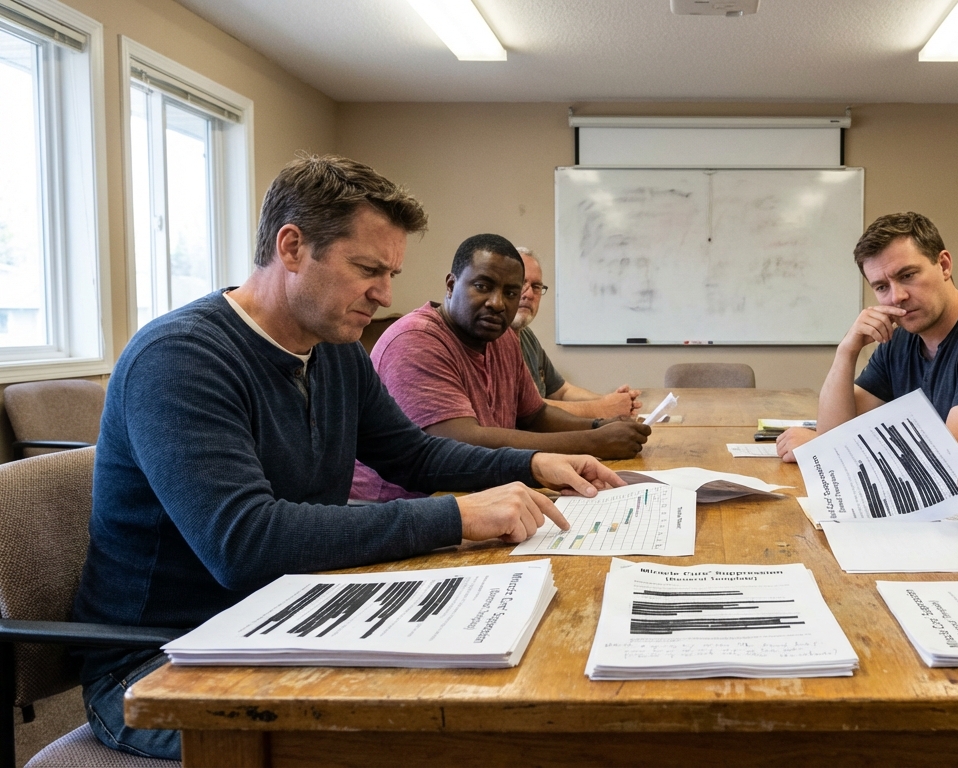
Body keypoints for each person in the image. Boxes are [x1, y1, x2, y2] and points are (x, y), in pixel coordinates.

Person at [71, 155, 621, 761]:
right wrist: (458, 518)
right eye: (367, 269)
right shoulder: (179, 359)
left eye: (391, 272)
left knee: (489, 694)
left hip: (283, 619)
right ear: (291, 247)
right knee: (431, 742)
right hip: (161, 662)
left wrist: (530, 466)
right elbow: (245, 543)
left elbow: (411, 455)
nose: (385, 293)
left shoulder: (334, 350)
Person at [351, 235, 651, 502]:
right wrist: (592, 442)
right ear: (451, 285)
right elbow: (457, 439)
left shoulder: (503, 336)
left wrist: (599, 426)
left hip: (478, 492)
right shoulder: (415, 341)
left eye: (510, 292)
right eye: (483, 286)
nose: (497, 303)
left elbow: (534, 414)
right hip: (399, 504)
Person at [776, 211, 958, 463]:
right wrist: (847, 350)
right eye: (881, 287)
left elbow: (956, 457)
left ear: (944, 265)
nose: (896, 296)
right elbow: (835, 432)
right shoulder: (901, 339)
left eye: (907, 275)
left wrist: (824, 449)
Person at [512, 247, 641, 418]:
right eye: (522, 283)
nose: (528, 294)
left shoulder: (527, 336)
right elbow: (531, 407)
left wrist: (612, 400)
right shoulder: (492, 342)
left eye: (536, 286)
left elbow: (562, 391)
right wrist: (602, 408)